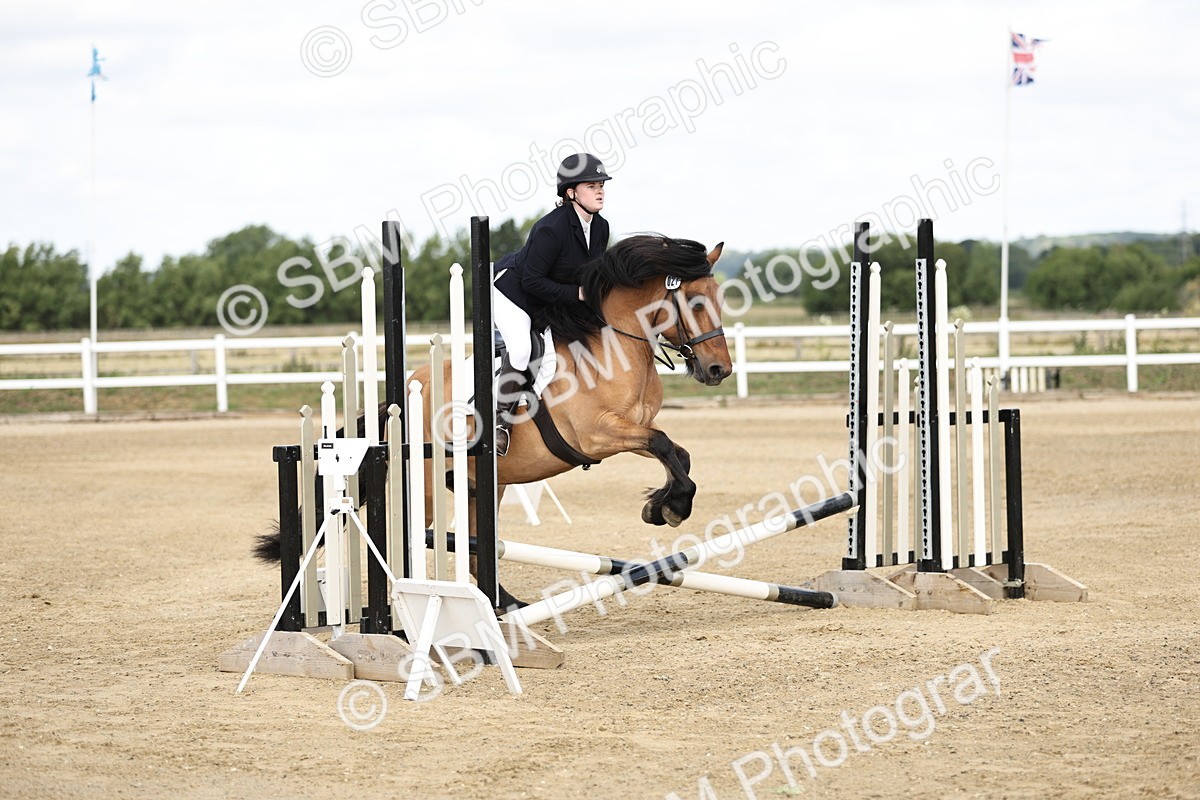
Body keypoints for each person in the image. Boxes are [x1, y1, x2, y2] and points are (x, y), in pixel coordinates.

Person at [491, 153, 612, 455]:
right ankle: (498, 422)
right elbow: (532, 281)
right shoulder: (551, 228)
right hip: (514, 295)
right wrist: (578, 295)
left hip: (550, 300)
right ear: (571, 192)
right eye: (591, 185)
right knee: (522, 350)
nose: (600, 190)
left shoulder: (600, 227)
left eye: (601, 184)